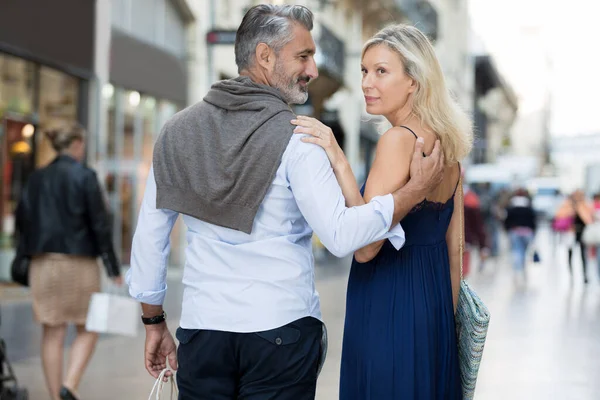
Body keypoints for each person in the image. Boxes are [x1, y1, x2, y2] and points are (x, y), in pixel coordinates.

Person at [126, 6, 445, 400]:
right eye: (303, 56)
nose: (312, 70)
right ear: (264, 56)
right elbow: (342, 236)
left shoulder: (175, 133)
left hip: (203, 331)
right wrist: (411, 193)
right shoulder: (299, 139)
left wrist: (153, 322)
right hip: (281, 332)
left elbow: (149, 239)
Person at [292, 24, 472, 399]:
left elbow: (366, 247)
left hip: (388, 306)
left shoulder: (397, 140)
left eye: (381, 71)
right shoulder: (449, 150)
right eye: (364, 70)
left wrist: (339, 160)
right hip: (434, 312)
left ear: (414, 81)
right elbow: (455, 251)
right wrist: (442, 325)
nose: (366, 83)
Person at [14, 123, 122, 400]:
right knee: (90, 326)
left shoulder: (36, 178)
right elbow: (99, 225)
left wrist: (23, 257)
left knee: (52, 332)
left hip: (43, 263)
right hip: (80, 263)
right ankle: (70, 385)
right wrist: (112, 266)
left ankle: (55, 396)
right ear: (76, 144)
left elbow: (22, 222)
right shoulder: (85, 176)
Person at [503, 188, 537, 283]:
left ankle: (517, 269)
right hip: (527, 232)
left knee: (517, 250)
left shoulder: (511, 208)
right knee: (524, 251)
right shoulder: (529, 207)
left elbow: (507, 221)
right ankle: (522, 267)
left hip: (515, 231)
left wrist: (507, 229)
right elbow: (533, 221)